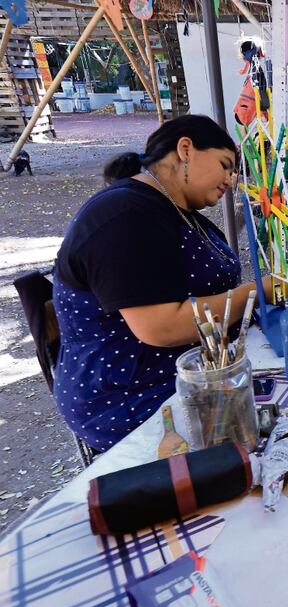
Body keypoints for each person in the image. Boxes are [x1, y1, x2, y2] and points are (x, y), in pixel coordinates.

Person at [53, 115, 272, 451]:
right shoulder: (125, 214)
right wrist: (257, 292)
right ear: (185, 149)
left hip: (200, 370)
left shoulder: (174, 210)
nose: (232, 179)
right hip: (132, 395)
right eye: (225, 165)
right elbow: (162, 327)